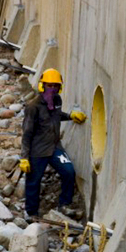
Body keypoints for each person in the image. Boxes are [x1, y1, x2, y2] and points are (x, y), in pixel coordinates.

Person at [19, 68, 86, 219]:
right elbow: (27, 133)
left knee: (69, 172)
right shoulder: (32, 107)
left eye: (56, 86)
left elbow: (55, 116)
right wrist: (24, 157)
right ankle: (31, 213)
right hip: (38, 150)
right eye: (49, 85)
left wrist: (70, 116)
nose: (53, 89)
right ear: (42, 86)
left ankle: (64, 204)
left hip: (55, 147)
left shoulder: (57, 101)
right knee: (33, 182)